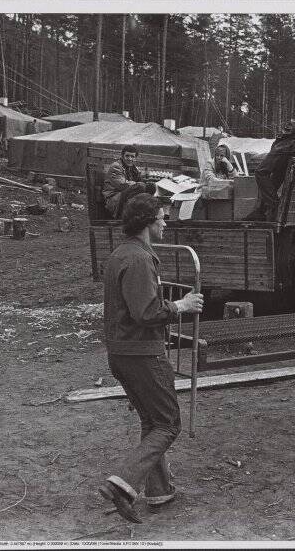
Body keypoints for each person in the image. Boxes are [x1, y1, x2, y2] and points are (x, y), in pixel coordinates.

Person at [99, 193, 204, 523]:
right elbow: (145, 312)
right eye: (162, 217)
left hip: (121, 353)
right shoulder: (140, 260)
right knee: (169, 424)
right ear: (146, 221)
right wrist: (181, 306)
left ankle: (159, 491)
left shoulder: (121, 254)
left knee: (153, 421)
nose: (165, 223)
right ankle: (123, 482)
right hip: (142, 354)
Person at [243, 90, 295, 221]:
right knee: (274, 180)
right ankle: (261, 212)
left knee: (260, 172)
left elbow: (289, 129)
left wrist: (279, 136)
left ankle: (274, 205)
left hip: (285, 148)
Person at [103, 145, 157, 219]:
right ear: (122, 156)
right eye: (127, 156)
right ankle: (131, 215)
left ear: (135, 158)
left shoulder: (134, 169)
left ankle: (146, 214)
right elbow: (122, 185)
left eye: (132, 156)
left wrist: (148, 183)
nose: (130, 159)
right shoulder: (116, 166)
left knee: (151, 186)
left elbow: (140, 181)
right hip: (115, 198)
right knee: (140, 186)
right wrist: (138, 184)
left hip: (127, 196)